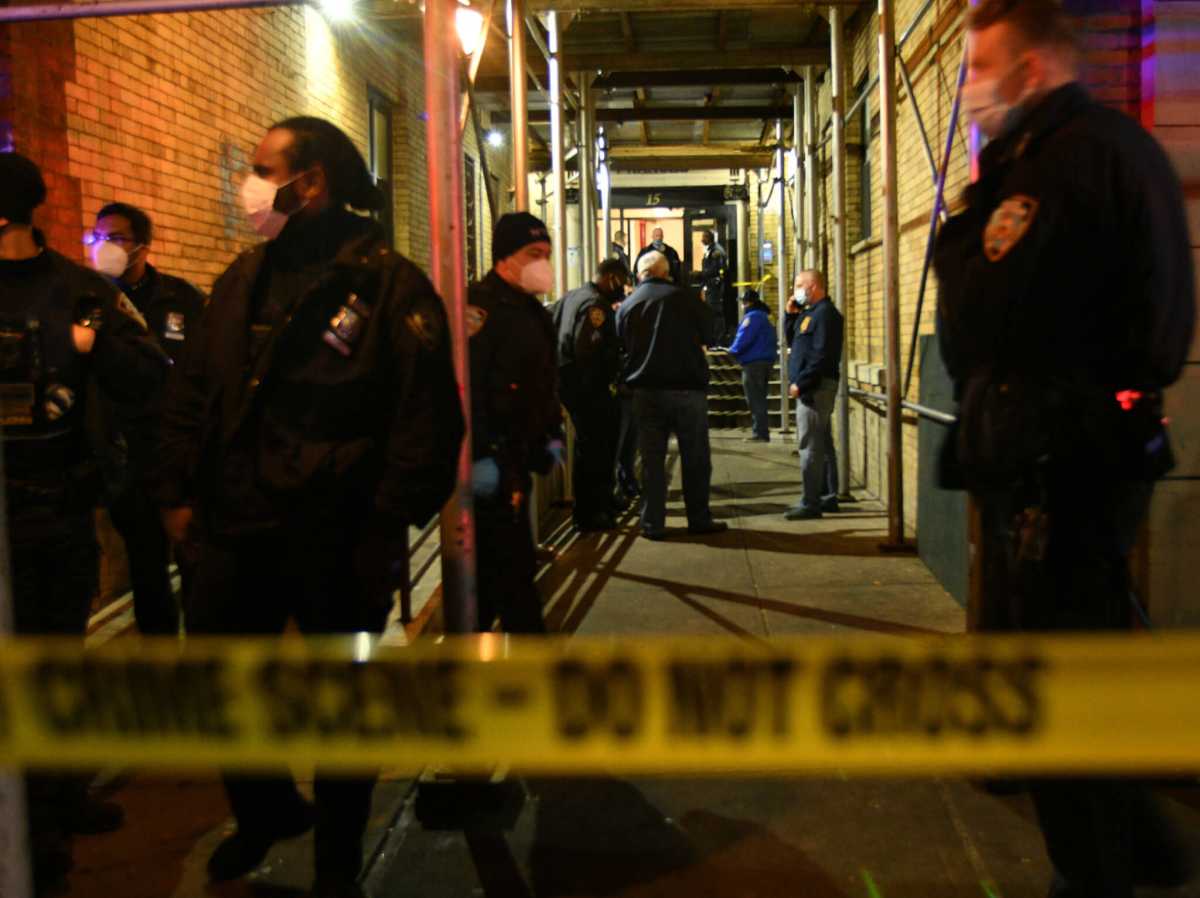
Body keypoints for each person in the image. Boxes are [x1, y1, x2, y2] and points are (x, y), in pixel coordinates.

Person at [154, 117, 464, 898]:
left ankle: (336, 866)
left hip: (337, 534)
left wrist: (382, 521)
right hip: (235, 525)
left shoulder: (388, 285)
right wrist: (176, 493)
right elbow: (194, 390)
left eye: (264, 170)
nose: (250, 185)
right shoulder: (243, 277)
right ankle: (265, 811)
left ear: (313, 182)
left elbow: (428, 420)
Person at [933, 2, 1195, 896]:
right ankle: (1145, 848)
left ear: (1033, 69)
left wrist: (961, 233)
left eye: (979, 68)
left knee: (1051, 685)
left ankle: (1094, 874)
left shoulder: (1052, 167)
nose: (969, 89)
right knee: (1080, 658)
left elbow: (984, 316)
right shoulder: (1124, 150)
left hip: (1055, 460)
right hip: (1096, 446)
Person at [0, 152, 166, 896]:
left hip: (58, 508)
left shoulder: (82, 291)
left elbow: (149, 375)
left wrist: (96, 353)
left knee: (58, 657)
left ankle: (56, 805)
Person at [86, 202, 207, 634]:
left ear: (143, 246)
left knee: (195, 561)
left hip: (179, 453)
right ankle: (159, 658)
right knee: (146, 568)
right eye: (97, 237)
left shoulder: (182, 299)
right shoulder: (91, 303)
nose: (104, 246)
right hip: (128, 457)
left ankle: (201, 653)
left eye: (115, 237)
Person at [468, 212, 563, 632]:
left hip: (518, 462)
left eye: (546, 254)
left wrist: (551, 440)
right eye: (533, 253)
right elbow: (471, 387)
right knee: (511, 581)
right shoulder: (480, 308)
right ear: (505, 257)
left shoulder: (533, 312)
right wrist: (488, 460)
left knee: (499, 581)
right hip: (490, 466)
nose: (543, 263)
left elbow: (543, 384)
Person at [616, 251, 726, 541]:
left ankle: (653, 523)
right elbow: (712, 334)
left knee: (651, 461)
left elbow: (620, 344)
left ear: (640, 274)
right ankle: (699, 518)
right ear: (667, 272)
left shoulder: (628, 305)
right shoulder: (686, 299)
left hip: (646, 393)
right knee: (695, 458)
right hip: (688, 390)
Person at [553, 258, 627, 531]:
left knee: (594, 445)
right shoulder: (595, 305)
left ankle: (601, 501)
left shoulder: (573, 296)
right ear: (610, 278)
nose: (622, 290)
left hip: (570, 383)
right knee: (595, 448)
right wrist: (605, 380)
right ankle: (589, 512)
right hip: (588, 388)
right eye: (621, 282)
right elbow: (587, 350)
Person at [784, 270, 843, 520]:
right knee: (823, 443)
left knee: (809, 446)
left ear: (814, 286)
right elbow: (795, 342)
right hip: (812, 386)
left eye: (799, 285)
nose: (795, 290)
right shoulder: (810, 314)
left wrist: (802, 383)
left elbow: (821, 355)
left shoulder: (826, 315)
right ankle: (827, 495)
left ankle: (811, 503)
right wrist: (790, 316)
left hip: (815, 388)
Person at [727, 288, 777, 442]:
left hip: (754, 363)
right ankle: (762, 432)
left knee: (755, 399)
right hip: (766, 362)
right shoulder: (766, 316)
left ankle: (760, 433)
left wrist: (732, 350)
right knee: (760, 398)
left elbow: (744, 337)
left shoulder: (752, 317)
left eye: (743, 303)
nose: (742, 306)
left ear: (748, 303)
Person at [698, 230, 728, 346]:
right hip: (710, 287)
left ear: (709, 238)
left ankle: (719, 341)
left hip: (715, 288)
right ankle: (714, 340)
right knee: (712, 314)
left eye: (704, 237)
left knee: (716, 314)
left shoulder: (716, 251)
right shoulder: (710, 250)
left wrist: (700, 274)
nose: (702, 239)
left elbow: (716, 269)